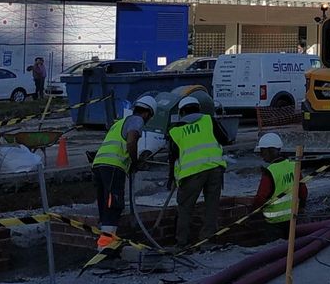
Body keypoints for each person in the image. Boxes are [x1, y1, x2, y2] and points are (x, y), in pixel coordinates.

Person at [91, 94, 156, 250]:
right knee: (114, 206)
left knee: (105, 206)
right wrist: (135, 162)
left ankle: (105, 246)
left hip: (99, 166)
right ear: (147, 113)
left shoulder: (119, 123)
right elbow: (131, 140)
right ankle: (105, 251)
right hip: (114, 166)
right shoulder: (137, 120)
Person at [168, 95, 229, 248]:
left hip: (191, 173)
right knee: (211, 206)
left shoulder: (175, 130)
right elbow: (225, 138)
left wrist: (171, 178)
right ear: (199, 109)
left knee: (185, 208)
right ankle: (207, 240)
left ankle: (182, 243)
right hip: (215, 168)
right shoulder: (209, 120)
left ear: (181, 112)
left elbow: (173, 156)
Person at [249, 133, 307, 239]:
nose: (261, 155)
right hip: (293, 218)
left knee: (274, 250)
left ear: (270, 151)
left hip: (274, 222)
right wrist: (302, 207)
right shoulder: (293, 165)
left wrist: (252, 212)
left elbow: (261, 197)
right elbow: (303, 191)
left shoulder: (270, 172)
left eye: (262, 151)